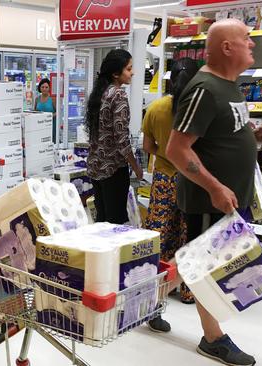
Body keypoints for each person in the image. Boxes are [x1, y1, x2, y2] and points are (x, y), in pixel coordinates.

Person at [166, 19, 262, 366]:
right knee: (203, 268)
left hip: (231, 200)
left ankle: (142, 299)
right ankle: (213, 339)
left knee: (194, 264)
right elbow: (177, 149)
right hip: (209, 200)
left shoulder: (231, 87)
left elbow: (221, 134)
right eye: (247, 39)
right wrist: (214, 187)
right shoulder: (205, 89)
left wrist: (254, 136)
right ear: (227, 47)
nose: (252, 44)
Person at [142, 58, 199, 318]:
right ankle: (186, 290)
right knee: (188, 234)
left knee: (158, 233)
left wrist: (165, 156)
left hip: (164, 178)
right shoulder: (198, 110)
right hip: (191, 180)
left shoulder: (155, 108)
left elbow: (147, 147)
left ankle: (151, 286)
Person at [86, 49, 143, 224]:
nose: (132, 72)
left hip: (96, 167)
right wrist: (136, 166)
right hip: (113, 169)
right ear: (116, 73)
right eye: (128, 69)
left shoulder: (100, 93)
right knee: (116, 221)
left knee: (102, 219)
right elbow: (121, 139)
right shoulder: (118, 95)